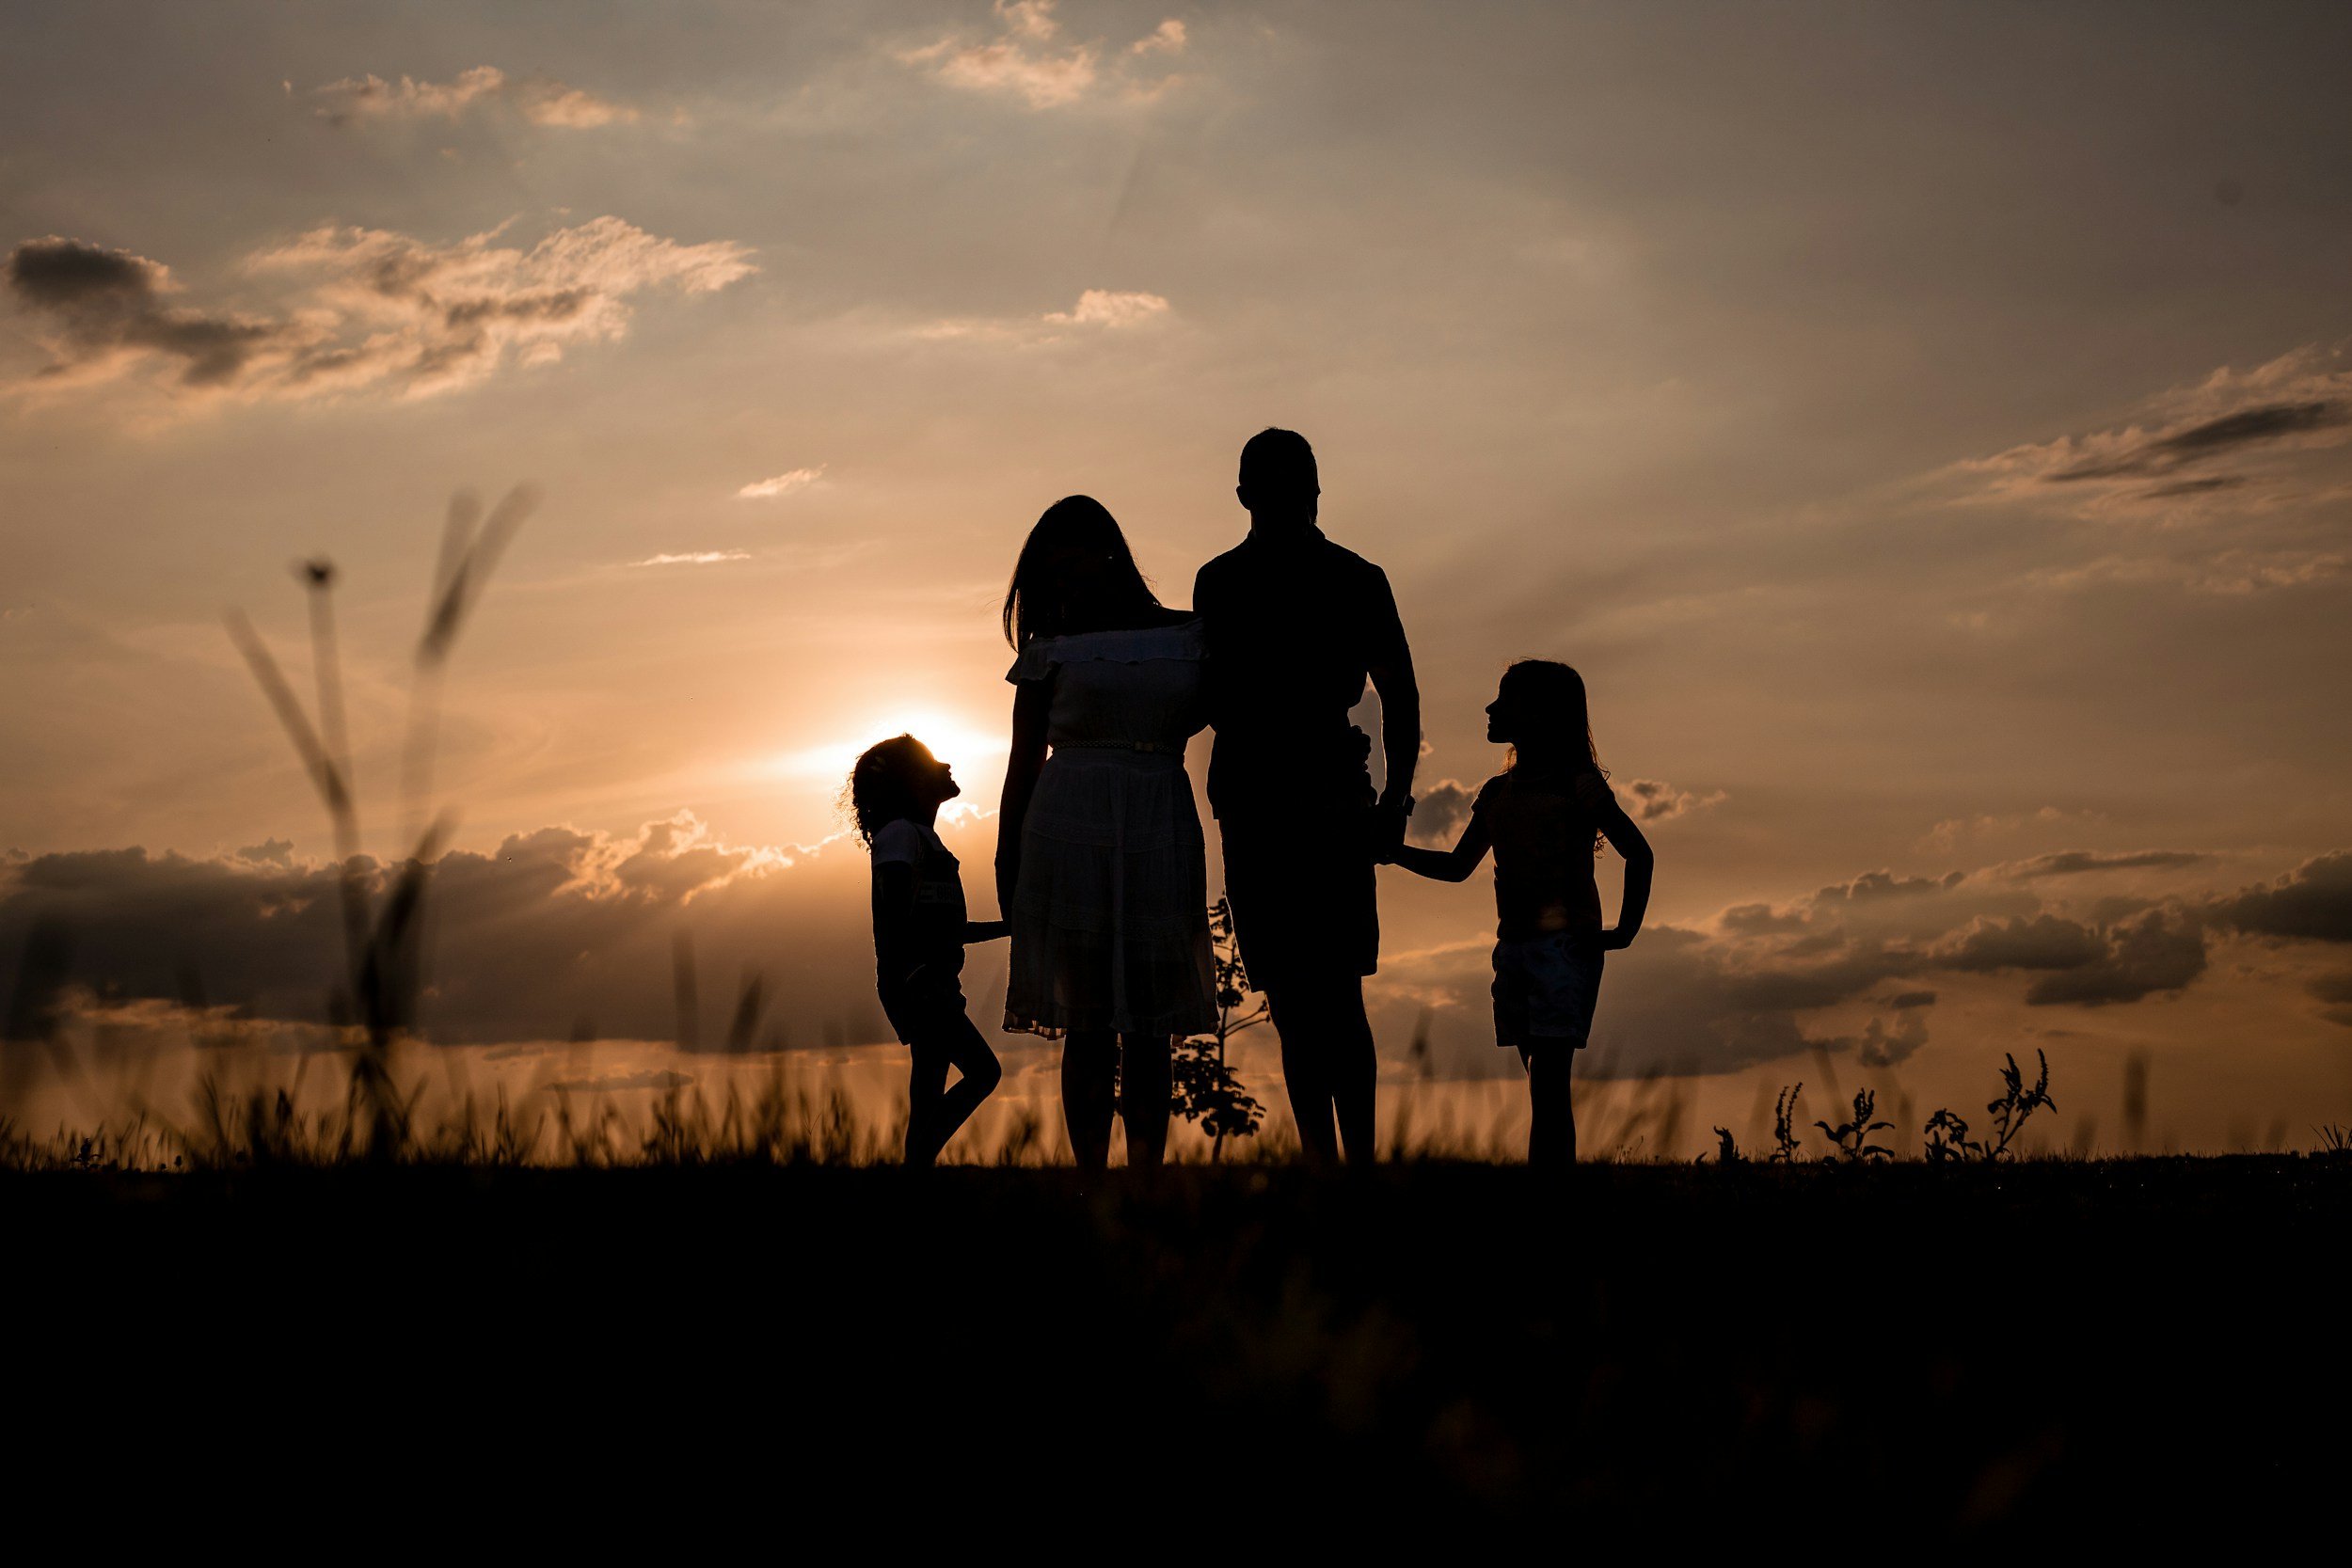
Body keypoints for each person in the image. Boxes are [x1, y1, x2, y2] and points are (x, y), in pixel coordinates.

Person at [1193, 429, 1418, 1164]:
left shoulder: (1348, 576)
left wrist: (1394, 801)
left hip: (1313, 792)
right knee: (1300, 995)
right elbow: (1399, 697)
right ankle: (1335, 1163)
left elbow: (1400, 695)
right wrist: (1391, 799)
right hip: (1273, 794)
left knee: (1324, 991)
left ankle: (1345, 1163)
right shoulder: (1225, 581)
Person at [996, 496, 1217, 1174]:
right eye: (1052, 578)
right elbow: (1022, 764)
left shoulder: (1187, 636)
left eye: (1071, 567)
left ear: (1109, 554)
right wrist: (1009, 865)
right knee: (1088, 1023)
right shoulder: (1050, 651)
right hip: (1068, 834)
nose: (1064, 586)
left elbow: (1241, 717)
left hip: (1157, 825)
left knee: (1149, 1026)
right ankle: (1090, 1182)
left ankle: (1145, 1178)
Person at [1380, 660, 1653, 1165]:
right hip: (1514, 948)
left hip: (1564, 949)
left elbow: (1638, 852)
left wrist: (1623, 932)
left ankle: (1547, 1193)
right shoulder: (1497, 793)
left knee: (1548, 1083)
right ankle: (1551, 1193)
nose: (1490, 708)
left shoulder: (1577, 786)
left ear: (1543, 715)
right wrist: (1395, 853)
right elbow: (1458, 867)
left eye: (1505, 700)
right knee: (1541, 1080)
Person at [851, 734, 1006, 1166]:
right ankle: (915, 1165)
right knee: (984, 1072)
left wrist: (1011, 928)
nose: (947, 766)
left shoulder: (918, 837)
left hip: (931, 982)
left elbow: (947, 931)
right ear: (911, 780)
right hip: (921, 985)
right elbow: (894, 918)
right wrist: (914, 976)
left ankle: (914, 1182)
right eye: (932, 761)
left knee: (927, 1092)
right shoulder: (901, 836)